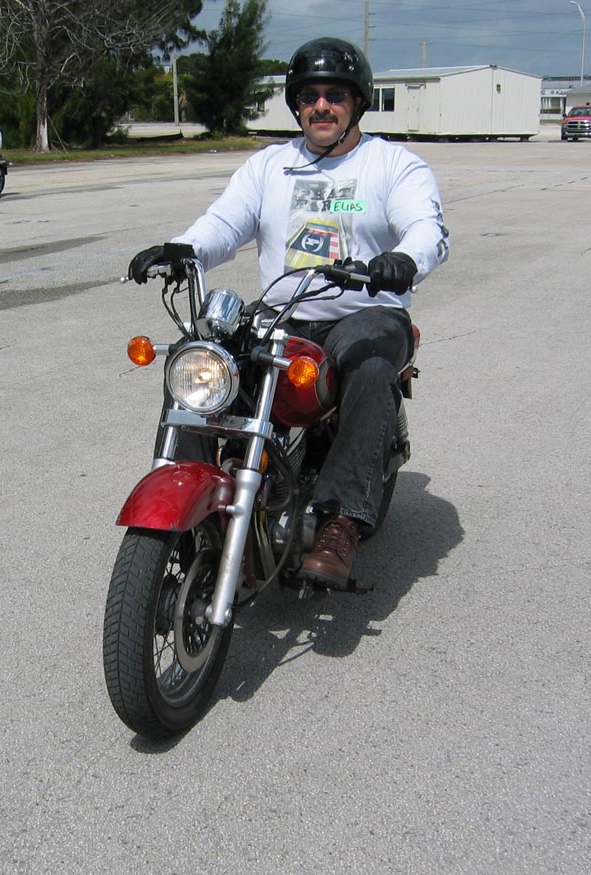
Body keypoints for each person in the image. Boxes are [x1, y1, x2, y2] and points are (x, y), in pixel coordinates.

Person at [127, 37, 449, 589]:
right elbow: (225, 222)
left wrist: (403, 260)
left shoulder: (393, 164)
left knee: (371, 367)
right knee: (200, 356)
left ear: (357, 102)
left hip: (365, 311)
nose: (321, 106)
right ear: (295, 104)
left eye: (335, 95)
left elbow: (427, 228)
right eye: (309, 96)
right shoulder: (270, 165)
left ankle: (341, 520)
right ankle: (194, 489)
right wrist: (183, 249)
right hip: (285, 312)